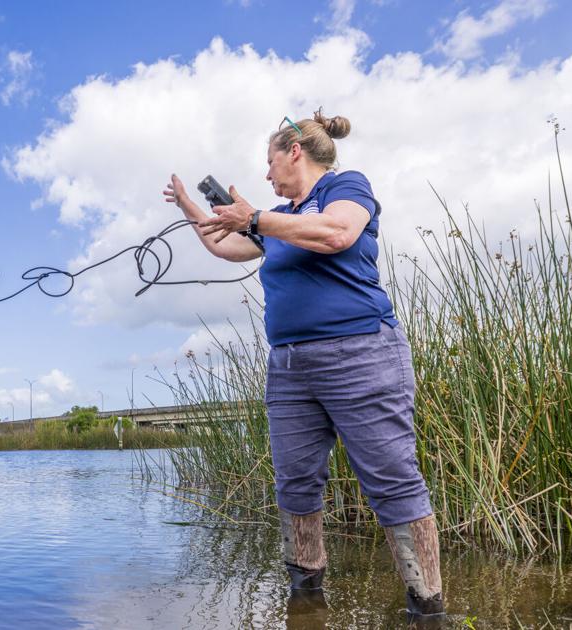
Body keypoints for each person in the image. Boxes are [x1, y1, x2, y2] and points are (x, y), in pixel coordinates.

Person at [162, 111, 445, 622]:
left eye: (269, 163)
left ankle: (427, 607)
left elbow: (336, 233)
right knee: (295, 481)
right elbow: (225, 247)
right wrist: (189, 205)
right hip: (290, 367)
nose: (267, 175)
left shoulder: (347, 187)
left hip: (361, 355)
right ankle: (306, 600)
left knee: (392, 479)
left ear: (295, 152)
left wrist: (254, 217)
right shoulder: (276, 217)